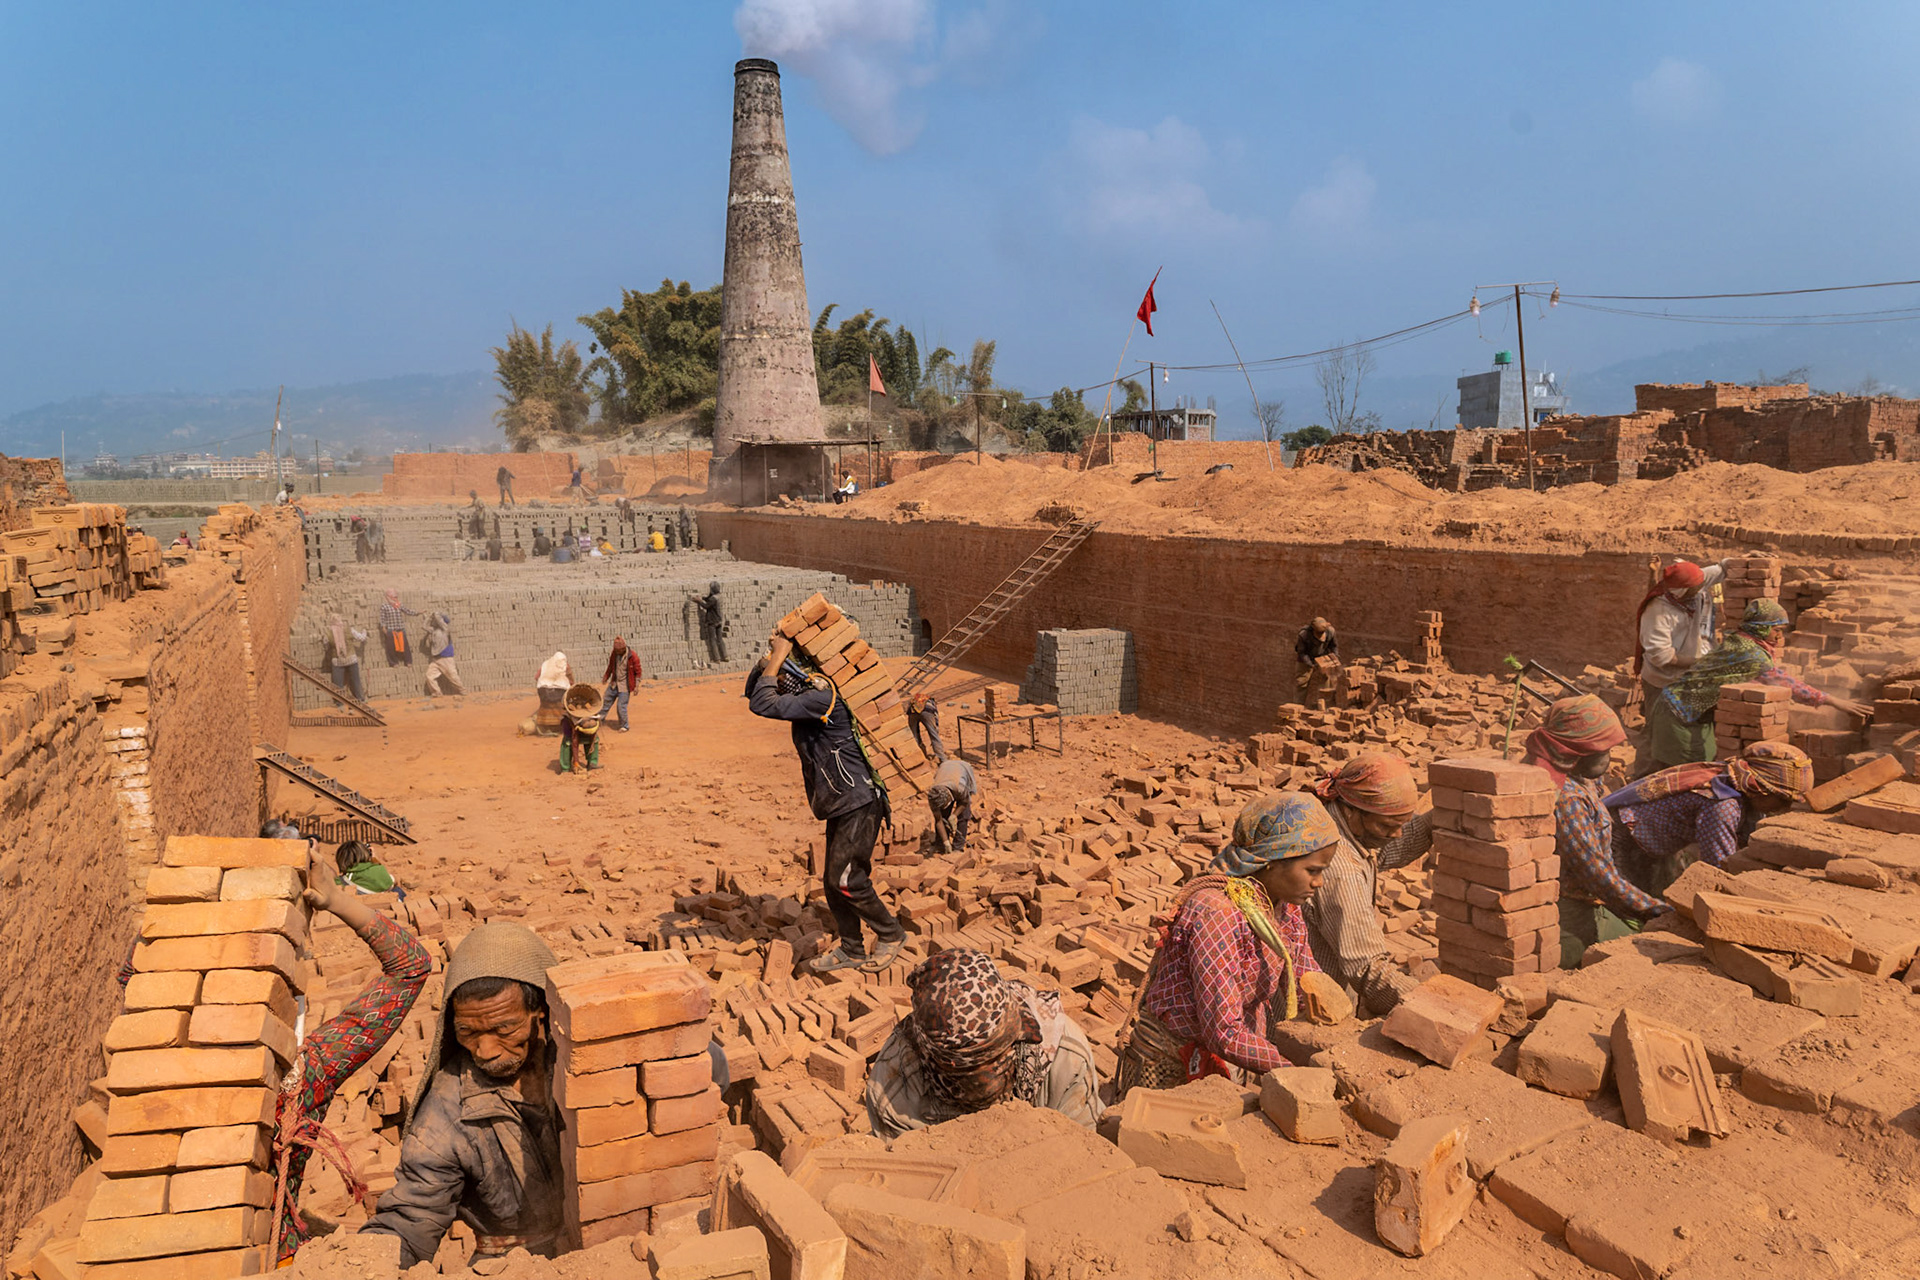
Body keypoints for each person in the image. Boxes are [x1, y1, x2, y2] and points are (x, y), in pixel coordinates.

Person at [360, 925, 564, 1268]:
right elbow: (410, 1220)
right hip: (508, 1266)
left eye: (504, 1029)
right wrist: (365, 1264)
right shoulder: (445, 1112)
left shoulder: (583, 1062)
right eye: (467, 1032)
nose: (484, 1051)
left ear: (540, 1009)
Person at [1115, 793, 1335, 1093]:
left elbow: (1305, 973)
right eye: (1313, 871)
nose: (1319, 883)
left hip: (1235, 1049)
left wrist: (1333, 1022)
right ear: (1271, 861)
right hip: (1171, 1059)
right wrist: (1293, 1070)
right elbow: (1224, 1031)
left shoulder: (1284, 905)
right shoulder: (1218, 914)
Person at [747, 633, 904, 974]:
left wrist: (779, 655)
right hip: (840, 800)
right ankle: (852, 949)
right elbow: (756, 691)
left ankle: (891, 935)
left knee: (846, 878)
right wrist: (769, 660)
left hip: (858, 801)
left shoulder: (823, 695)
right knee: (832, 880)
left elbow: (763, 703)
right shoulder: (810, 690)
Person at [865, 949, 1103, 1139]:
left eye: (998, 1056)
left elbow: (1084, 1154)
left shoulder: (1065, 1056)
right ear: (930, 1056)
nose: (989, 1073)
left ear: (1019, 1032)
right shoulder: (894, 1085)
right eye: (967, 1070)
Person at [1651, 599, 1868, 767]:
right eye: (1776, 630)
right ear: (1762, 628)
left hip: (1686, 710)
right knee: (1688, 771)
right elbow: (1785, 682)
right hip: (1678, 713)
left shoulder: (1740, 639)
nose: (1779, 637)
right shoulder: (1751, 654)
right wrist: (1832, 700)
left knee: (1702, 762)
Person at [1302, 754, 1432, 1017]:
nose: (1396, 834)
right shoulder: (1340, 870)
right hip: (1311, 1008)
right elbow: (1366, 969)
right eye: (1388, 826)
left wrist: (1451, 814)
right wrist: (1430, 1008)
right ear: (1353, 811)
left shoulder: (1333, 814)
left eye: (1402, 825)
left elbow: (1391, 847)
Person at [1523, 695, 1644, 966]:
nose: (1610, 759)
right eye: (1604, 751)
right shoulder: (1567, 800)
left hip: (1592, 898)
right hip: (1571, 910)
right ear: (1574, 753)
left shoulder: (1583, 779)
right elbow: (1596, 873)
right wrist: (1653, 908)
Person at [1605, 741, 1816, 883]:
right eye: (1782, 800)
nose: (1783, 809)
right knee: (1632, 906)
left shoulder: (1734, 778)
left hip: (1650, 842)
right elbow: (1715, 866)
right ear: (1759, 789)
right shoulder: (1722, 805)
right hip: (1624, 839)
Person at [926, 758, 977, 856]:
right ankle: (940, 845)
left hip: (962, 769)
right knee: (944, 814)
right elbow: (939, 820)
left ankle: (958, 846)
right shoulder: (933, 797)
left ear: (950, 797)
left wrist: (954, 815)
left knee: (964, 815)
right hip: (945, 768)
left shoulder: (960, 787)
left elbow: (964, 803)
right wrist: (946, 842)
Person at [1294, 617, 1338, 707]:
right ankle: (1298, 706)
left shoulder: (1330, 632)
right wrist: (1311, 664)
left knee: (1325, 681)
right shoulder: (1304, 635)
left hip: (1321, 657)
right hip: (1305, 659)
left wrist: (1335, 656)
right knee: (1301, 683)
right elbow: (1301, 653)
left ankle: (1325, 705)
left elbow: (1334, 646)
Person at [324, 614, 368, 704]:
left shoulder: (328, 633)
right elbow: (362, 638)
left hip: (337, 661)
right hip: (351, 659)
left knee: (337, 684)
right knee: (355, 681)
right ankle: (360, 699)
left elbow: (325, 645)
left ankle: (339, 703)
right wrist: (364, 631)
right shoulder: (349, 629)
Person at [334, 839, 403, 896]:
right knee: (397, 890)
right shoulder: (377, 870)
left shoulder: (341, 880)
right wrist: (375, 860)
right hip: (379, 904)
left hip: (358, 908)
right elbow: (392, 882)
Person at [601, 637, 640, 732]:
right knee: (606, 702)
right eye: (615, 650)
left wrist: (636, 686)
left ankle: (624, 725)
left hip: (625, 686)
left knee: (621, 707)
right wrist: (606, 676)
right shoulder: (614, 654)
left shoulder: (633, 656)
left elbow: (638, 671)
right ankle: (599, 720)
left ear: (623, 649)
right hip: (614, 683)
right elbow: (610, 666)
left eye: (618, 650)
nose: (616, 652)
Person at [424, 613, 466, 697]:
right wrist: (428, 618)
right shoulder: (434, 630)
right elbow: (424, 627)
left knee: (453, 677)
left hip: (446, 658)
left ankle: (463, 691)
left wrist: (435, 614)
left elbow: (439, 619)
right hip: (436, 659)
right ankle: (437, 692)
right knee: (429, 676)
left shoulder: (445, 629)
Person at [379, 590, 420, 667]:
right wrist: (383, 627)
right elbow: (382, 618)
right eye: (395, 597)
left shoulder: (399, 605)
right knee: (391, 647)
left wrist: (418, 613)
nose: (396, 598)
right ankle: (394, 662)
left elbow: (408, 611)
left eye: (396, 597)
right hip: (391, 630)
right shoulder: (384, 606)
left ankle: (408, 661)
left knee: (405, 646)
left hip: (400, 629)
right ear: (389, 597)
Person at [691, 581, 729, 665]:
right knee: (720, 639)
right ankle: (725, 656)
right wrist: (703, 598)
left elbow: (706, 606)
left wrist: (699, 601)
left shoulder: (713, 599)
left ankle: (717, 658)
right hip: (719, 620)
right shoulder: (719, 596)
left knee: (712, 639)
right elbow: (709, 599)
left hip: (712, 621)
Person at [534, 652, 572, 734]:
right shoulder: (566, 666)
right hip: (559, 691)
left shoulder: (545, 664)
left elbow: (536, 677)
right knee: (560, 706)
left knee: (545, 705)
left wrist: (545, 683)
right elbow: (571, 679)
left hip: (543, 690)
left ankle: (544, 726)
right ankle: (558, 726)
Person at [907, 693, 946, 763]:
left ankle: (918, 757)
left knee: (914, 736)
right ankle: (942, 759)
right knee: (933, 735)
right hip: (927, 712)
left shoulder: (914, 702)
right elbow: (935, 717)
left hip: (912, 712)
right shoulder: (931, 704)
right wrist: (936, 730)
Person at [560, 706, 602, 772]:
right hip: (571, 728)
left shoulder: (593, 723)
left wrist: (592, 742)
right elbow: (575, 743)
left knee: (595, 741)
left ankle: (592, 763)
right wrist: (576, 762)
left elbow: (593, 738)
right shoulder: (573, 726)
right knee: (568, 743)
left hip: (586, 723)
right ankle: (565, 767)